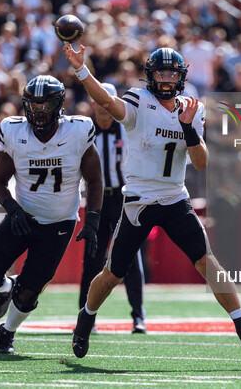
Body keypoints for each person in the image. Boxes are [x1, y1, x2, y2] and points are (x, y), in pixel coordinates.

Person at [64, 44, 241, 358]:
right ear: (150, 75)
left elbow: (200, 162)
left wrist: (188, 129)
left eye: (172, 72)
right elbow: (106, 101)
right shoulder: (139, 101)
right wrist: (81, 70)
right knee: (113, 273)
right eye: (161, 72)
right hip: (139, 200)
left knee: (206, 261)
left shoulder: (192, 109)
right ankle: (85, 319)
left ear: (182, 76)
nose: (167, 78)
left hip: (174, 197)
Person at [0, 75, 103, 354]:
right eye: (34, 105)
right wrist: (13, 209)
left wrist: (92, 220)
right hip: (22, 216)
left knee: (31, 290)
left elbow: (94, 180)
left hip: (59, 222)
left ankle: (6, 333)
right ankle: (5, 286)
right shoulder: (13, 131)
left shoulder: (78, 131)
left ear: (59, 105)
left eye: (45, 106)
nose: (39, 112)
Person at [81, 82, 146, 334]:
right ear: (93, 102)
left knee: (131, 257)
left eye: (108, 100)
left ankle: (138, 316)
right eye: (100, 100)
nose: (104, 106)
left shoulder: (127, 128)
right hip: (97, 200)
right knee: (92, 258)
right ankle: (86, 315)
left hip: (122, 198)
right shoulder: (85, 130)